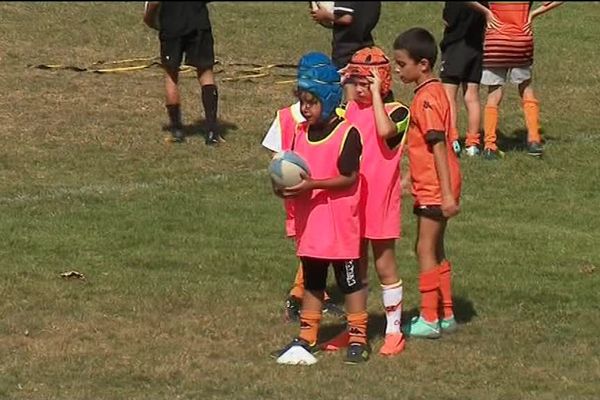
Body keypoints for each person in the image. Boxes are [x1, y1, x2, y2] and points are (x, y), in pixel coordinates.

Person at [271, 52, 370, 365]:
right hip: (312, 227)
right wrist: (281, 186)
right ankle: (307, 336)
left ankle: (358, 337)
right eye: (302, 101)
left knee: (350, 283)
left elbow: (349, 177)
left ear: (327, 100)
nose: (305, 108)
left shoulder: (347, 134)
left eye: (311, 102)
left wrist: (311, 186)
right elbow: (295, 172)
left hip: (340, 228)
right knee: (313, 283)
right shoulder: (300, 134)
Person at [319, 46, 411, 357]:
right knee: (353, 269)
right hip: (351, 202)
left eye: (365, 82)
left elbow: (385, 131)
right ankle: (354, 328)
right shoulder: (348, 110)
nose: (359, 88)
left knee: (385, 265)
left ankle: (393, 330)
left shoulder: (398, 111)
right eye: (356, 82)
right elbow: (328, 116)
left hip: (381, 201)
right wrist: (340, 80)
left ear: (381, 81)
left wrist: (373, 95)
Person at [261, 53, 345, 322]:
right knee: (312, 248)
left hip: (300, 193)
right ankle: (299, 297)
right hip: (312, 194)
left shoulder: (286, 115)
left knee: (312, 247)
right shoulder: (316, 115)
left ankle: (315, 296)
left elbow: (274, 158)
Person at [392, 27, 462, 339]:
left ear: (423, 64)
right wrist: (409, 177)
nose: (397, 69)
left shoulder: (427, 99)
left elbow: (437, 146)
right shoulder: (431, 93)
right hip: (432, 183)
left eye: (401, 64)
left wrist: (446, 193)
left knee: (423, 248)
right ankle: (446, 313)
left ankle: (429, 317)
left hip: (436, 185)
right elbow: (420, 145)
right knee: (436, 247)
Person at [467, 1, 564, 159]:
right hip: (521, 40)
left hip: (496, 41)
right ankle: (533, 139)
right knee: (526, 88)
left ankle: (490, 145)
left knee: (494, 94)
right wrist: (533, 14)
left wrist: (486, 12)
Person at [144, 1, 223, 145]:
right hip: (198, 23)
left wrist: (149, 18)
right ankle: (212, 131)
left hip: (171, 24)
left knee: (171, 75)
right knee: (205, 73)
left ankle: (177, 130)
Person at [439, 1, 489, 157]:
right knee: (472, 96)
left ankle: (452, 138)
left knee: (449, 96)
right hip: (476, 48)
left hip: (455, 45)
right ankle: (473, 143)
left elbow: (448, 19)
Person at [310, 2, 382, 100]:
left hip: (346, 47)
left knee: (349, 82)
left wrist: (326, 15)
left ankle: (351, 111)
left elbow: (347, 18)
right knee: (364, 86)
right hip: (366, 43)